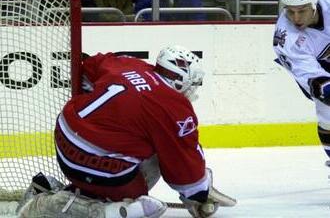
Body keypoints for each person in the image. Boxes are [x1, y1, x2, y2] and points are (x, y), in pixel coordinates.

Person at [17, 45, 235, 217]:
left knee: (144, 145)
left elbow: (90, 65)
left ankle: (51, 187)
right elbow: (183, 163)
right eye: (192, 84)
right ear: (179, 80)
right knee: (137, 199)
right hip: (96, 162)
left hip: (64, 134)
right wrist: (199, 195)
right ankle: (51, 206)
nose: (192, 91)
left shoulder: (129, 64)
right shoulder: (173, 106)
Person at [273, 0, 330, 167]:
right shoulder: (286, 37)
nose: (296, 18)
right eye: (290, 11)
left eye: (302, 11)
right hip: (320, 66)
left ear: (313, 3)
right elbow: (318, 83)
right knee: (327, 111)